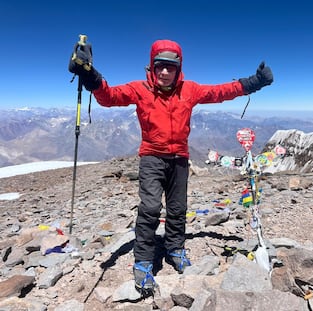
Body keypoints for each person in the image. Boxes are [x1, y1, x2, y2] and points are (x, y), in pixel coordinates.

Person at [69, 39, 273, 293]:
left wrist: (256, 82)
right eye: (160, 66)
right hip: (152, 157)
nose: (165, 72)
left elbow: (221, 91)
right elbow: (110, 97)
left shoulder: (190, 90)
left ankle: (175, 248)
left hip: (179, 159)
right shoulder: (140, 89)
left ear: (179, 67)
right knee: (151, 207)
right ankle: (143, 260)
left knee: (178, 208)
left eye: (170, 67)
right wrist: (90, 75)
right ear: (152, 67)